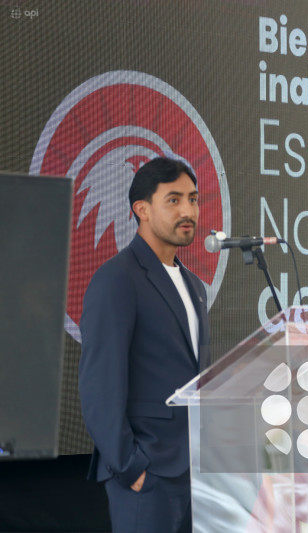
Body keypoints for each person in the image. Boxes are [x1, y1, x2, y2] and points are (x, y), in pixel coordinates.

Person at [78, 157, 211, 533]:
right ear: (142, 210)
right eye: (173, 200)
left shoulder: (194, 286)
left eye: (193, 198)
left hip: (197, 473)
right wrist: (130, 466)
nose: (188, 210)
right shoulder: (118, 279)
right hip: (147, 472)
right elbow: (99, 383)